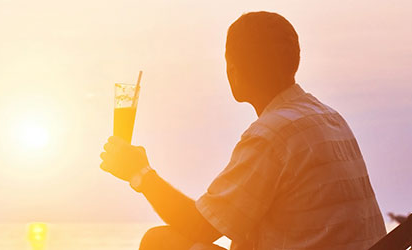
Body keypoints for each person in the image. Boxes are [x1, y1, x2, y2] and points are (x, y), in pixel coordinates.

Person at [98, 11, 385, 250]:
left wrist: (141, 175)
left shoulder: (272, 135)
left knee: (159, 242)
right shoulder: (327, 117)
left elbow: (201, 226)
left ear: (233, 70)